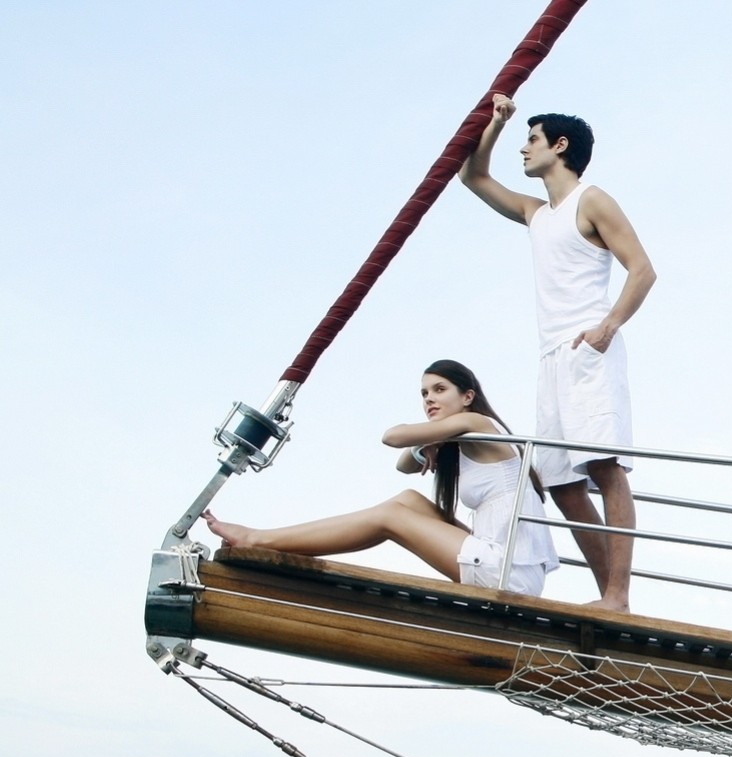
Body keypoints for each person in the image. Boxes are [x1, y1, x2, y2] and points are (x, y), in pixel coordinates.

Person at [459, 93, 656, 611]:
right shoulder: (535, 212)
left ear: (560, 146)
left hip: (589, 349)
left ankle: (618, 595)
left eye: (531, 139)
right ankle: (609, 597)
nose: (523, 149)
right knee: (562, 485)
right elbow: (472, 177)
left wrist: (608, 326)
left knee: (604, 468)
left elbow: (642, 269)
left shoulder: (592, 200)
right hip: (550, 358)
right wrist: (497, 124)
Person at [204, 361, 560, 597]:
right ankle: (269, 538)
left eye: (439, 390)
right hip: (503, 562)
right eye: (424, 393)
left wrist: (432, 436)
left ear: (468, 397)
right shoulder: (463, 436)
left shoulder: (477, 423)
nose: (429, 399)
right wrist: (432, 442)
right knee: (407, 500)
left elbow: (392, 437)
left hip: (508, 573)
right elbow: (404, 466)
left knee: (391, 517)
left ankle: (260, 539)